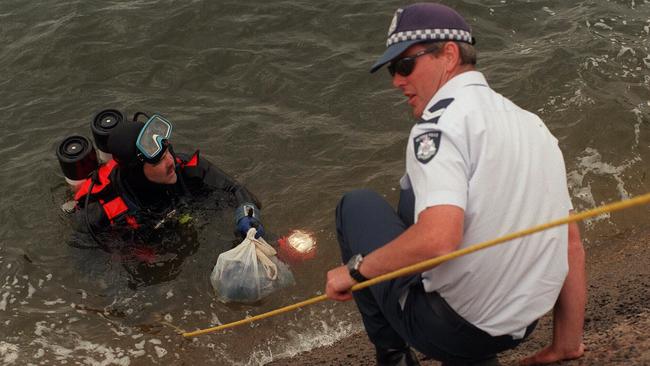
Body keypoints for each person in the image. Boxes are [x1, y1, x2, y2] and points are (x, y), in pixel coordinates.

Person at [325, 3, 586, 366]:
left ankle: (394, 356)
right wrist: (565, 344)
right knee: (413, 194)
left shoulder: (436, 126)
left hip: (455, 332)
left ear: (448, 54)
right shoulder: (532, 124)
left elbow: (439, 239)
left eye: (405, 65)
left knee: (355, 205)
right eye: (391, 69)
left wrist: (354, 271)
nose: (397, 81)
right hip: (521, 325)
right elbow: (569, 241)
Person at [71, 111, 264, 257]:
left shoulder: (185, 168)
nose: (171, 161)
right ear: (136, 172)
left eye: (168, 152)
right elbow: (85, 255)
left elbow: (235, 189)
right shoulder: (100, 210)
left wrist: (247, 216)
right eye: (159, 160)